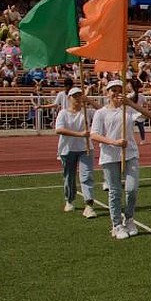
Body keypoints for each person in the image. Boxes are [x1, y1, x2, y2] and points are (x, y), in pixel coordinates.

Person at [89, 79, 148, 239]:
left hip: (130, 153)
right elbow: (94, 134)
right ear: (107, 93)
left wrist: (130, 103)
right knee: (114, 191)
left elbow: (148, 115)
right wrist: (114, 142)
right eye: (112, 90)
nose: (116, 93)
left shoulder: (127, 110)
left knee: (132, 189)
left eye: (119, 90)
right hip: (110, 155)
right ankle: (116, 225)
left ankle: (129, 218)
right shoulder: (101, 113)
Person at [54, 86, 98, 218]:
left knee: (86, 175)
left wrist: (89, 100)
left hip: (85, 148)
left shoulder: (86, 112)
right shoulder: (63, 113)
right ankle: (69, 200)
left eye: (80, 96)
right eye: (75, 96)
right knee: (69, 176)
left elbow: (102, 111)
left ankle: (89, 205)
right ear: (69, 98)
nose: (78, 99)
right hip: (67, 149)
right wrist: (79, 134)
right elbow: (59, 130)